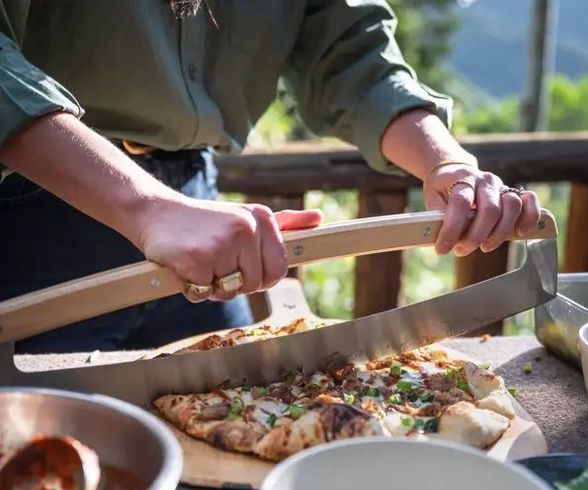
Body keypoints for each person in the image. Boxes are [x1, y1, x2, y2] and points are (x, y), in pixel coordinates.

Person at [0, 0, 539, 353]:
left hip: (198, 213)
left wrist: (447, 162)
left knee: (238, 422)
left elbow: (350, 53)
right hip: (32, 214)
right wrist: (147, 208)